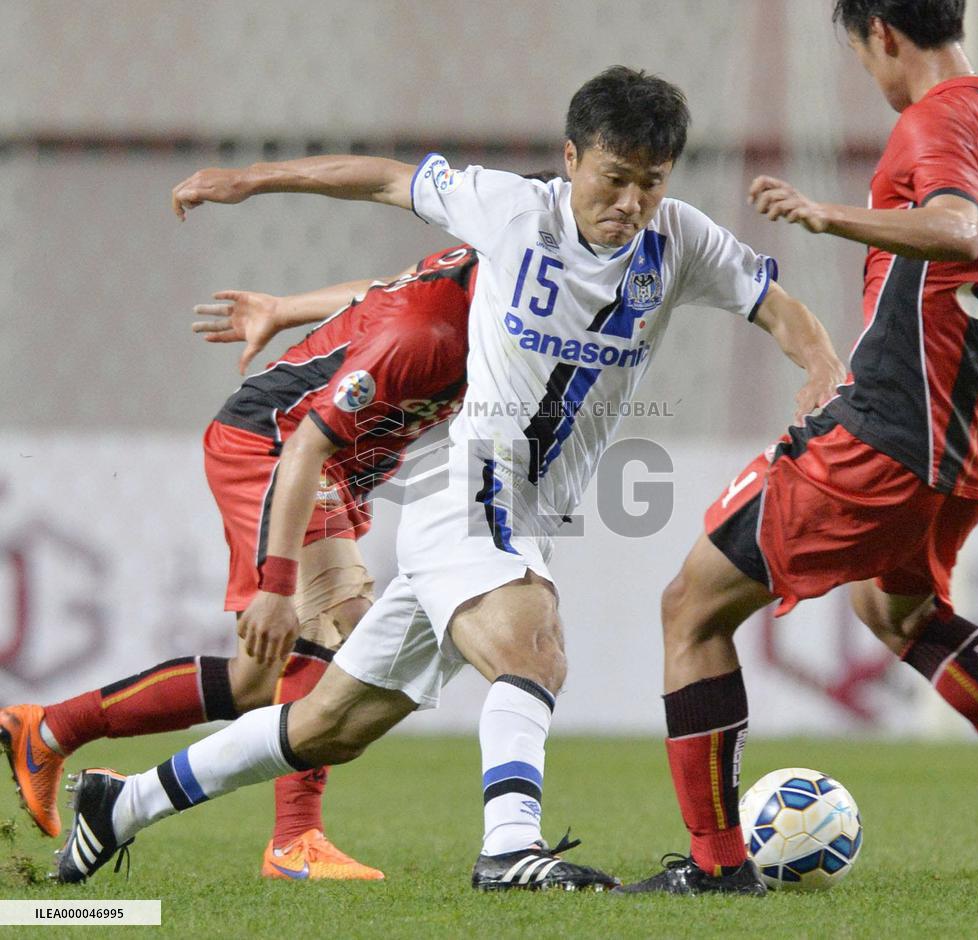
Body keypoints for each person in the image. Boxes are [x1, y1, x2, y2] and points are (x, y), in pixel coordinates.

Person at [54, 66, 843, 892]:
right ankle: (509, 849)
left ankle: (122, 804)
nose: (631, 202)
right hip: (471, 485)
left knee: (330, 725)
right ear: (572, 159)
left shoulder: (680, 240)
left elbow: (776, 306)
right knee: (533, 646)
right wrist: (251, 180)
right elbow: (385, 179)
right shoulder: (510, 208)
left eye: (651, 182)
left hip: (533, 513)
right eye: (614, 178)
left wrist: (821, 364)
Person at [618, 0, 978, 896]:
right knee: (898, 616)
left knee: (691, 609)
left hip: (887, 438)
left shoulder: (936, 118)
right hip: (969, 446)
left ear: (882, 35)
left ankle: (715, 869)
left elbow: (954, 229)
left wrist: (828, 216)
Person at [0, 244, 475, 880]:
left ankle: (51, 727)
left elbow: (377, 291)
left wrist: (282, 309)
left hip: (335, 463)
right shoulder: (459, 305)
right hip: (277, 442)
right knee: (345, 628)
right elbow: (398, 314)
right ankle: (294, 839)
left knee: (258, 681)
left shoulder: (494, 289)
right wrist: (277, 584)